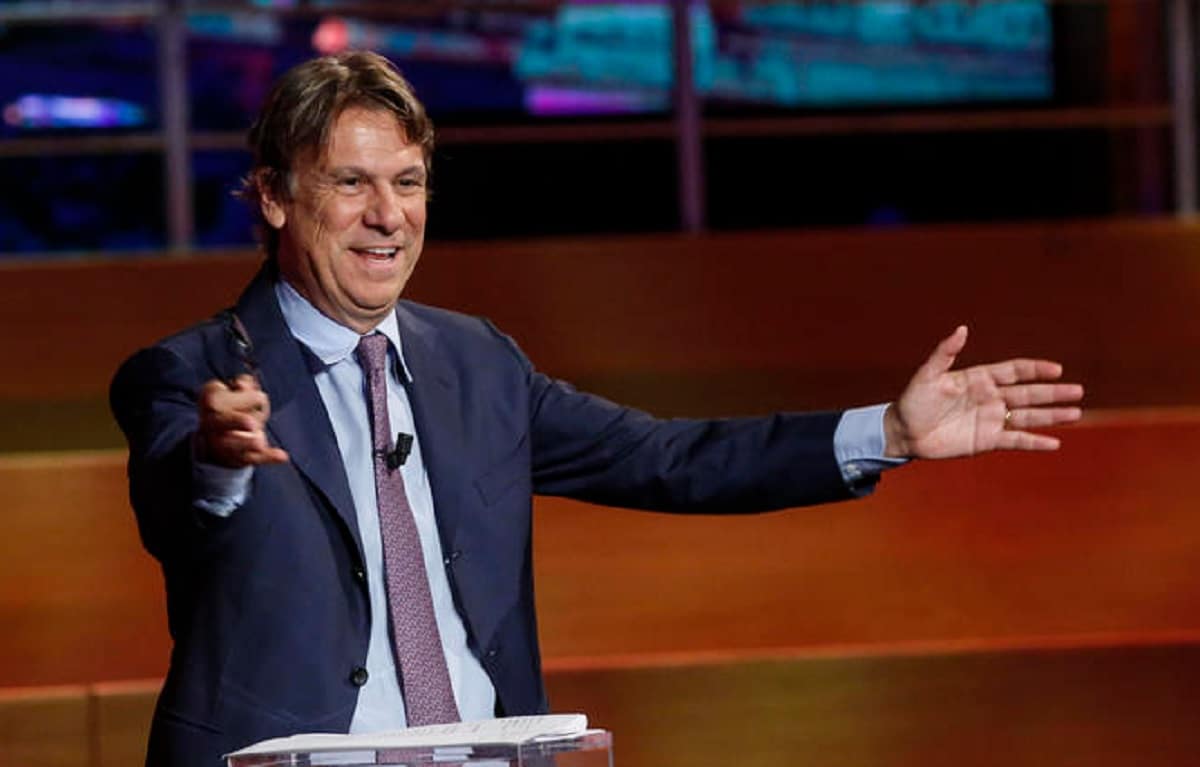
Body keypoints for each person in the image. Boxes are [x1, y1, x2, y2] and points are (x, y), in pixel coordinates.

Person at [110, 51, 1083, 767]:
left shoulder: (477, 363)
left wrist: (890, 432)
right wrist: (219, 460)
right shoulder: (191, 373)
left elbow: (668, 457)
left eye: (407, 183)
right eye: (351, 183)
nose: (388, 214)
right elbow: (173, 500)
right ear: (275, 196)